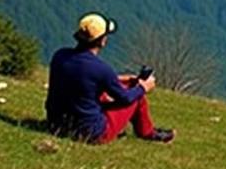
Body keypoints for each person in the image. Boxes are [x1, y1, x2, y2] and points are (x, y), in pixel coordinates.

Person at [45, 12, 174, 144]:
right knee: (137, 96)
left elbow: (83, 79)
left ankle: (147, 131)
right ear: (102, 40)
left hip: (57, 126)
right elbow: (125, 98)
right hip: (91, 133)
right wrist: (143, 87)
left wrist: (119, 80)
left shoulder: (60, 56)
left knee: (103, 95)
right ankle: (148, 133)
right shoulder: (100, 68)